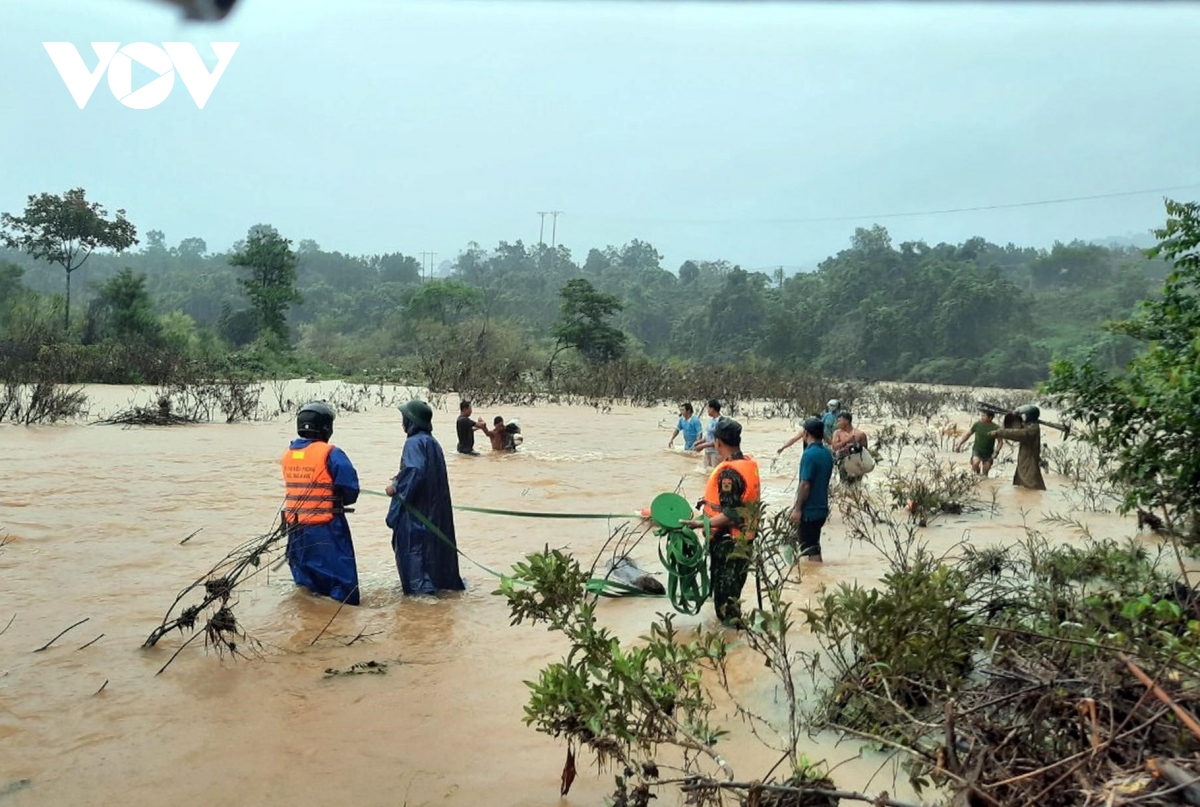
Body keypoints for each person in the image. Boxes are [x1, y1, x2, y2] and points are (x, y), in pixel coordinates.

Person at [682, 417, 761, 628]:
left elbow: (732, 513)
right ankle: (739, 649)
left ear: (718, 442)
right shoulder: (746, 463)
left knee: (726, 604)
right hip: (743, 540)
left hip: (729, 544)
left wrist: (698, 525)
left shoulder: (728, 473)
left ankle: (732, 647)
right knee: (732, 597)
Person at [280, 401, 361, 605]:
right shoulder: (331, 453)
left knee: (308, 587)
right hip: (326, 529)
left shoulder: (289, 454)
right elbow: (350, 489)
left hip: (296, 528)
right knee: (343, 589)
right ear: (326, 427)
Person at [385, 399, 467, 594]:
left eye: (404, 418)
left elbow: (415, 471)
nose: (402, 422)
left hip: (417, 517)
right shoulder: (432, 442)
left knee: (415, 558)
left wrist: (396, 487)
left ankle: (421, 596)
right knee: (434, 556)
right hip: (433, 513)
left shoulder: (413, 443)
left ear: (411, 421)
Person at [789, 417, 835, 563]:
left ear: (806, 433)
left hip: (810, 510)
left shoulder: (809, 455)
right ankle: (814, 579)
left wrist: (797, 509)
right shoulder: (827, 453)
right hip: (822, 507)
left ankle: (816, 581)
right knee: (812, 544)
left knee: (811, 548)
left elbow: (805, 484)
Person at [990, 404, 1046, 490]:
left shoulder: (1032, 429)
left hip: (1029, 460)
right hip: (1025, 459)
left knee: (1031, 485)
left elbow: (1018, 434)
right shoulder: (1029, 425)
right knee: (1022, 487)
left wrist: (1000, 432)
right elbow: (1015, 427)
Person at [956, 409, 1003, 477]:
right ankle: (976, 476)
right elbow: (968, 434)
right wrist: (960, 443)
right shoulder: (977, 424)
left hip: (989, 453)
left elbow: (1000, 442)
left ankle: (983, 483)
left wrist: (996, 451)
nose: (982, 417)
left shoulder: (996, 427)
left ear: (990, 418)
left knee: (985, 472)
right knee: (975, 463)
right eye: (981, 415)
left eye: (984, 416)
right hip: (977, 450)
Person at [830, 411, 869, 484]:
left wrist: (855, 446)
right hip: (843, 462)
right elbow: (834, 447)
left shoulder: (860, 434)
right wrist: (846, 441)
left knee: (856, 485)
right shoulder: (837, 433)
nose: (837, 423)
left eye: (839, 421)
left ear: (847, 421)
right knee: (844, 483)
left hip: (857, 463)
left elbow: (865, 451)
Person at [691, 399, 723, 468]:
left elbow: (717, 440)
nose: (707, 410)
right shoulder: (711, 420)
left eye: (708, 408)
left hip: (716, 452)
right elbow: (708, 436)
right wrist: (699, 442)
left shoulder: (720, 422)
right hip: (708, 451)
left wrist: (702, 446)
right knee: (705, 472)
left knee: (714, 472)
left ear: (712, 409)